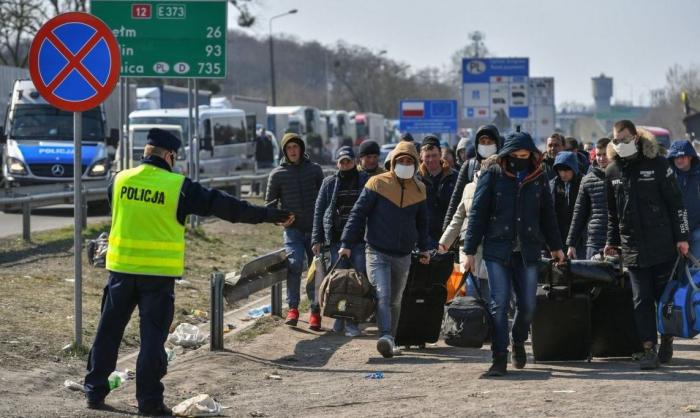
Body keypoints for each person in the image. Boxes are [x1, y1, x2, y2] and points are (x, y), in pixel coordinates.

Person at [84, 129, 292, 415]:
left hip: (120, 271)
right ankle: (149, 403)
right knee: (151, 341)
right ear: (169, 155)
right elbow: (227, 207)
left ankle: (94, 391)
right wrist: (268, 215)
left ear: (146, 152)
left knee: (108, 333)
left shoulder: (119, 179)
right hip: (157, 278)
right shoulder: (178, 186)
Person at [463, 131, 565, 377]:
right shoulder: (493, 174)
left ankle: (518, 340)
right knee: (499, 305)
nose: (521, 159)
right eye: (517, 155)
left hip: (528, 250)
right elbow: (477, 213)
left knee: (528, 305)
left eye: (525, 155)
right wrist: (468, 251)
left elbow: (547, 215)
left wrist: (556, 246)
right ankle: (499, 357)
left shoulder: (538, 176)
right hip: (497, 249)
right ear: (508, 155)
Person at [604, 120, 689, 370]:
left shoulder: (659, 165)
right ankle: (648, 349)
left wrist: (682, 238)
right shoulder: (612, 171)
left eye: (625, 140)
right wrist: (612, 242)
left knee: (664, 299)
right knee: (641, 300)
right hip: (633, 249)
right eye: (616, 141)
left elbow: (677, 205)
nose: (621, 145)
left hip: (663, 245)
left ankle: (667, 339)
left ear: (637, 139)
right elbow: (612, 214)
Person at [340, 141, 431, 358]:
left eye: (410, 161)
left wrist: (426, 248)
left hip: (403, 255)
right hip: (377, 251)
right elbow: (358, 214)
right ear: (393, 162)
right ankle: (386, 336)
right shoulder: (376, 183)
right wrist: (346, 243)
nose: (405, 164)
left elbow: (423, 223)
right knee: (383, 293)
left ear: (416, 164)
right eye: (401, 161)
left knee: (395, 300)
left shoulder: (419, 190)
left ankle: (392, 338)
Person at [266, 133, 325, 329]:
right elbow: (270, 205)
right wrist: (280, 220)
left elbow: (324, 199)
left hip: (315, 230)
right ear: (284, 151)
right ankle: (292, 309)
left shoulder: (315, 170)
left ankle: (315, 311)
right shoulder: (277, 174)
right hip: (292, 231)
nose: (292, 150)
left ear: (301, 148)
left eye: (295, 147)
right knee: (294, 265)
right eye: (288, 147)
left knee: (315, 271)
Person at [311, 146, 369, 336]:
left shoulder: (365, 180)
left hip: (359, 240)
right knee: (336, 282)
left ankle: (352, 322)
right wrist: (317, 238)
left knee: (356, 282)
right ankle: (338, 317)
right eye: (342, 161)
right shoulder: (329, 183)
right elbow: (320, 211)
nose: (345, 165)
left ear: (355, 162)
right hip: (335, 240)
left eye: (349, 161)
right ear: (337, 163)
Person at [438, 165, 489, 298]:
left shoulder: (500, 187)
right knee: (471, 295)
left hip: (490, 247)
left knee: (490, 296)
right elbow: (458, 217)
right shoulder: (469, 188)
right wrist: (444, 243)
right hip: (467, 247)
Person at [443, 125, 501, 233]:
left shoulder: (505, 165)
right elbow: (456, 200)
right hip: (471, 230)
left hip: (499, 233)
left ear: (497, 143)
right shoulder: (469, 166)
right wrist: (446, 232)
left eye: (490, 142)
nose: (486, 145)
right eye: (483, 142)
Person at [566, 138, 611, 260]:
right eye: (598, 155)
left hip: (618, 241)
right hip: (595, 240)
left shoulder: (622, 177)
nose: (601, 158)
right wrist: (572, 243)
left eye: (605, 154)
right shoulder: (587, 180)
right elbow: (579, 213)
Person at [416, 135, 458, 247]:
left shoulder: (455, 177)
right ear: (421, 156)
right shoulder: (414, 180)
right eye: (427, 156)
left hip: (451, 238)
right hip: (424, 240)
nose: (431, 160)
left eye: (434, 155)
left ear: (440, 154)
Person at [667, 140, 700, 259]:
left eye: (682, 156)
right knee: (677, 270)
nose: (679, 160)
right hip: (674, 233)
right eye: (675, 157)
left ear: (690, 157)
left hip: (697, 230)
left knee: (696, 269)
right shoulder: (667, 176)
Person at [550, 151, 584, 256]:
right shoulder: (552, 185)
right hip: (558, 239)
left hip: (581, 239)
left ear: (574, 168)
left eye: (567, 170)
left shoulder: (584, 182)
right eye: (560, 170)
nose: (563, 174)